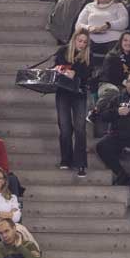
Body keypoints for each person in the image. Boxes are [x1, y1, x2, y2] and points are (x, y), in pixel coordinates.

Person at [54, 28, 93, 176]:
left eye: (85, 42)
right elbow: (56, 67)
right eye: (80, 40)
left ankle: (81, 163)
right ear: (74, 39)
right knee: (64, 128)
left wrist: (75, 73)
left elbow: (87, 73)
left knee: (80, 128)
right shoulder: (62, 51)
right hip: (63, 92)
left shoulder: (89, 56)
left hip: (79, 93)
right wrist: (60, 69)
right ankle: (66, 159)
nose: (82, 44)